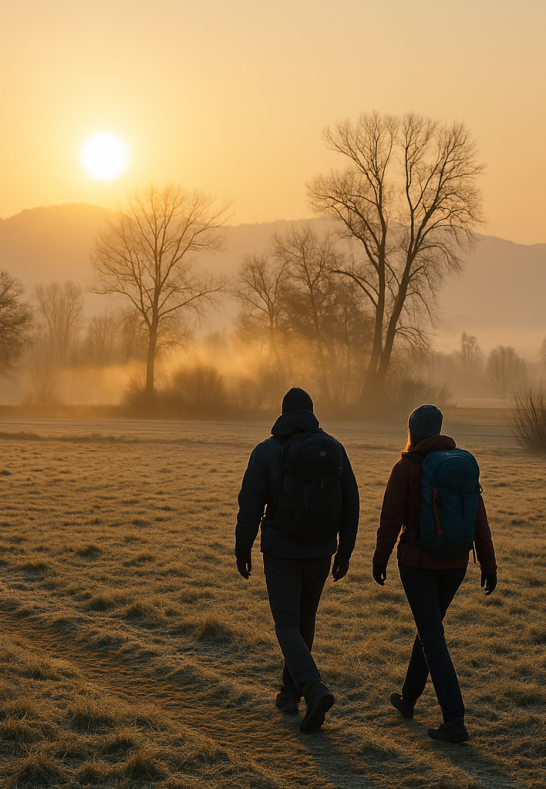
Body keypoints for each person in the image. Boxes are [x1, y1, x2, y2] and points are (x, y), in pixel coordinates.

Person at [236, 387, 359, 733]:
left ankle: (313, 688)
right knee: (304, 622)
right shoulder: (333, 448)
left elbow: (250, 505)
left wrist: (243, 548)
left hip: (281, 552)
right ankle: (289, 693)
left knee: (287, 625)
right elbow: (351, 501)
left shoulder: (265, 451)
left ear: (283, 414)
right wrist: (345, 551)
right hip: (321, 551)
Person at [372, 404, 497, 743]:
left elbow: (390, 520)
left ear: (412, 431)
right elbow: (479, 521)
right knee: (430, 629)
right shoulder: (459, 466)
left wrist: (380, 559)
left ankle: (454, 719)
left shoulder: (406, 468)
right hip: (456, 564)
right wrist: (488, 565)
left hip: (418, 565)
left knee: (431, 634)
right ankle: (408, 698)